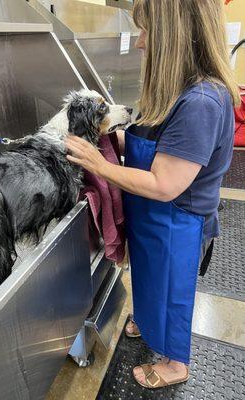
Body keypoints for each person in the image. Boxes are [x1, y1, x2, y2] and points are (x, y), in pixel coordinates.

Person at [65, 0, 239, 390]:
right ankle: (145, 322)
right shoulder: (174, 92)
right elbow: (149, 146)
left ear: (174, 36)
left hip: (177, 221)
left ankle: (176, 362)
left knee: (170, 292)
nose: (140, 43)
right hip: (151, 217)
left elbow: (166, 183)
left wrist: (99, 163)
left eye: (147, 31)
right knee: (146, 278)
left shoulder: (201, 102)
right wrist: (104, 137)